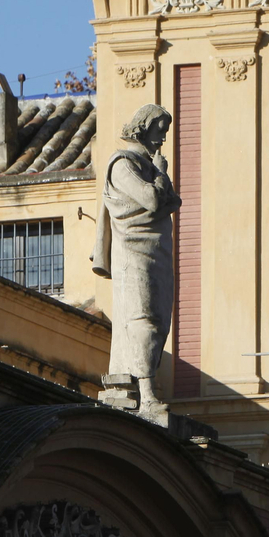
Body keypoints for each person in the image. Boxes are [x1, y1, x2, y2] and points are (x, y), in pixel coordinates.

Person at [91, 104, 181, 418]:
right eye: (160, 130)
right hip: (134, 254)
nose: (163, 138)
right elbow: (154, 199)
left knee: (157, 321)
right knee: (144, 319)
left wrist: (158, 176)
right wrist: (161, 172)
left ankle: (142, 387)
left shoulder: (145, 164)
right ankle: (146, 394)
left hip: (156, 253)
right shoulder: (122, 164)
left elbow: (173, 201)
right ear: (143, 127)